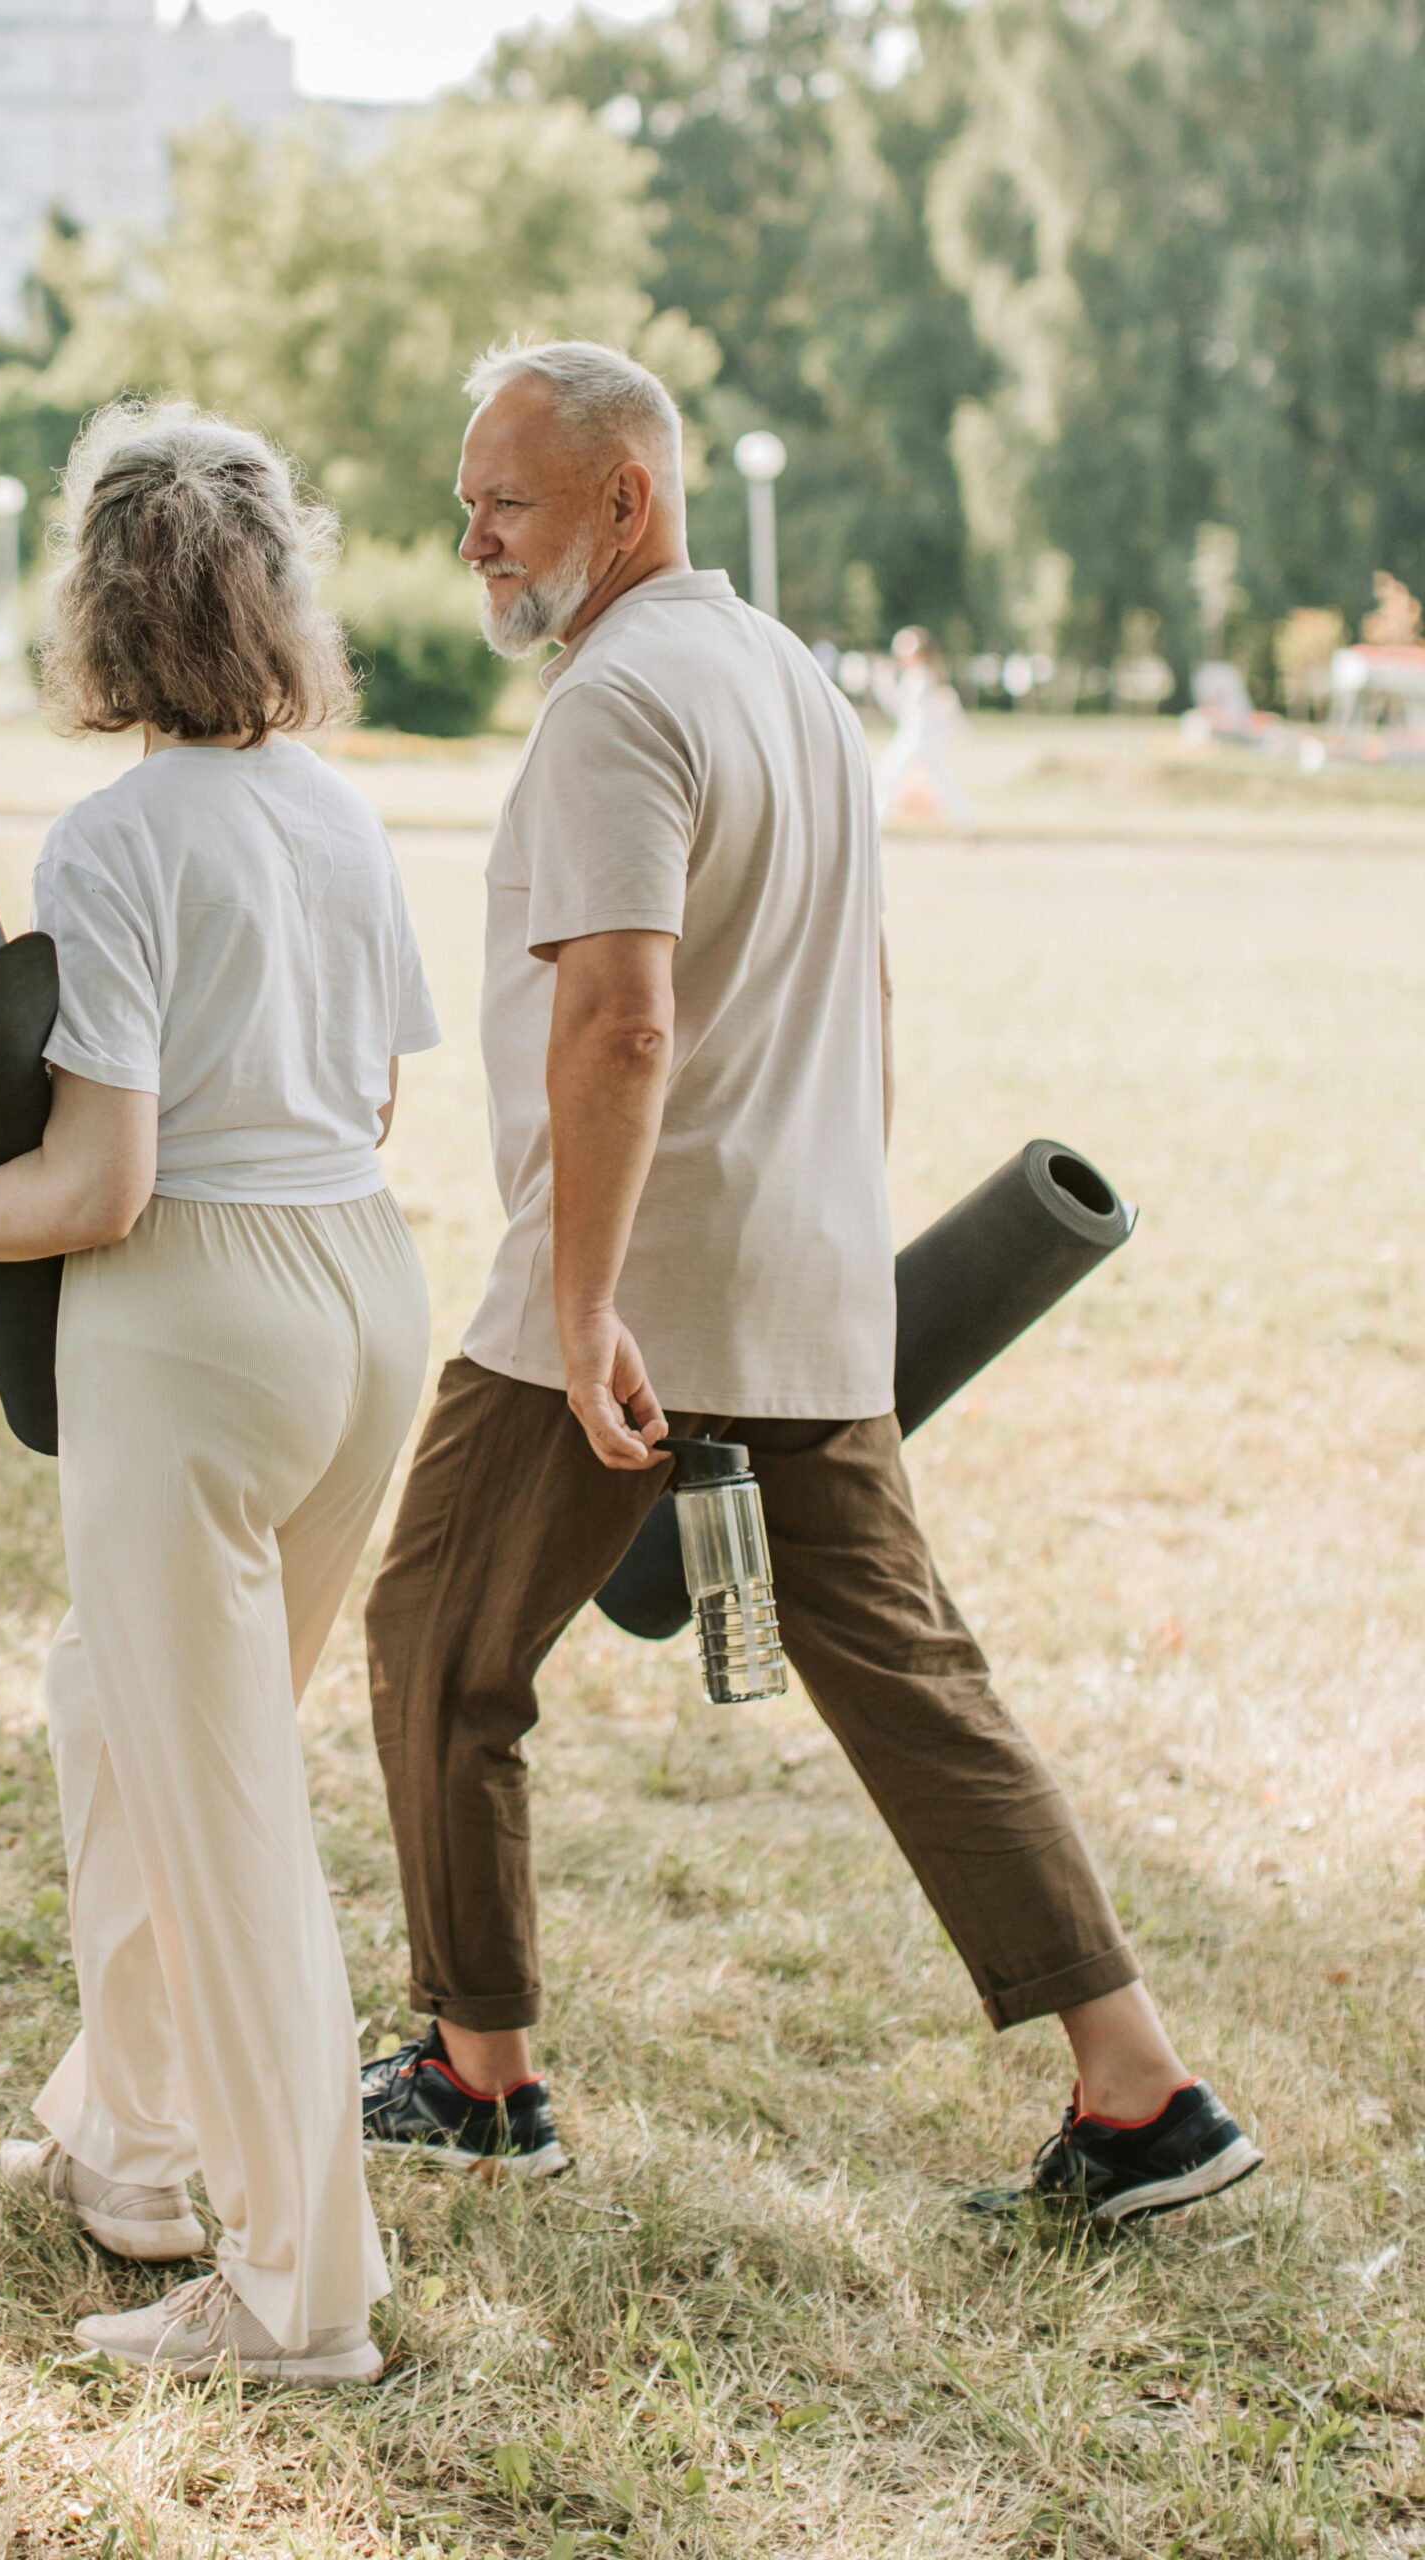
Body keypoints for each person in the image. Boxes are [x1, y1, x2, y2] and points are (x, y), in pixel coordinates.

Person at [357, 340, 1262, 2226]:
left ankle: (478, 2073)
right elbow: (856, 995)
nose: (474, 543)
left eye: (506, 504)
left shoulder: (614, 706)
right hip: (802, 1282)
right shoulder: (786, 677)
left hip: (626, 1295)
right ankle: (1141, 2094)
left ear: (628, 502)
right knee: (920, 1685)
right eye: (466, 505)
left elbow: (618, 1024)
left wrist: (584, 1299)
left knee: (438, 1641)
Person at [0, 401, 439, 2380]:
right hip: (367, 1294)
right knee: (115, 1714)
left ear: (95, 604)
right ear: (274, 589)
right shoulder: (339, 808)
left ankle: (297, 2298)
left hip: (193, 1313)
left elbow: (99, 1179)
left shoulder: (111, 833)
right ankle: (123, 2140)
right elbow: (367, 1094)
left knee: (217, 1807)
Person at [873, 624, 977, 834]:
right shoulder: (923, 675)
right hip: (921, 738)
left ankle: (876, 821)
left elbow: (903, 706)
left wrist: (882, 682)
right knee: (939, 780)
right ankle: (965, 823)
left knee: (890, 775)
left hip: (917, 739)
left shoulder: (919, 676)